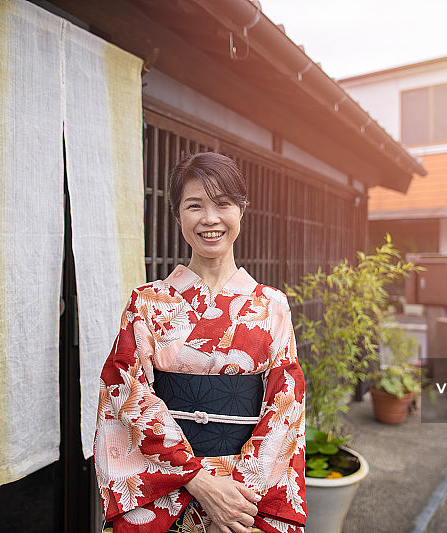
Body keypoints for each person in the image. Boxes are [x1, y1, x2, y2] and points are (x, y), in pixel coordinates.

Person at [94, 152, 306, 533]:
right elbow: (124, 389)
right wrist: (196, 478)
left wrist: (237, 496)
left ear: (242, 210)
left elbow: (285, 403)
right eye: (195, 206)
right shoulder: (147, 302)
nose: (210, 219)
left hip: (244, 498)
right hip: (168, 487)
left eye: (223, 204)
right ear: (178, 215)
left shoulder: (271, 305)